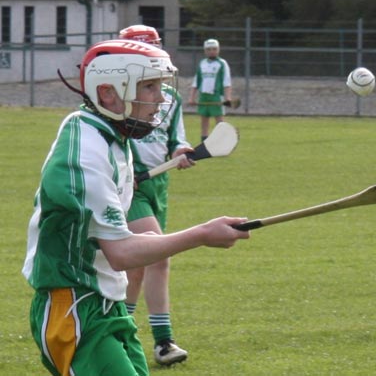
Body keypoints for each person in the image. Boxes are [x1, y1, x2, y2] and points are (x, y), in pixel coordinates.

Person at [22, 39, 250, 376]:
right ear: (108, 93)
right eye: (149, 86)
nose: (160, 98)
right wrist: (202, 233)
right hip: (73, 308)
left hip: (106, 304)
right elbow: (122, 252)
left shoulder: (107, 135)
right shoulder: (84, 153)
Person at [119, 24, 192, 365]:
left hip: (156, 185)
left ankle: (119, 333)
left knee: (137, 269)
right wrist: (119, 170)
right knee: (159, 255)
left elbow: (176, 139)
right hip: (126, 186)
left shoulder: (171, 99)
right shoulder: (113, 96)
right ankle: (164, 343)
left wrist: (182, 151)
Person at [188, 38, 232, 141]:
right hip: (203, 96)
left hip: (216, 96)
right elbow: (196, 82)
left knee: (219, 120)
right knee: (204, 119)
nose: (212, 51)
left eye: (214, 49)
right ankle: (204, 141)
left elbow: (227, 81)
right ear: (205, 51)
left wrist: (228, 97)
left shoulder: (222, 63)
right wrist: (192, 97)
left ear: (218, 49)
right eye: (209, 49)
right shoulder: (202, 63)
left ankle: (221, 141)